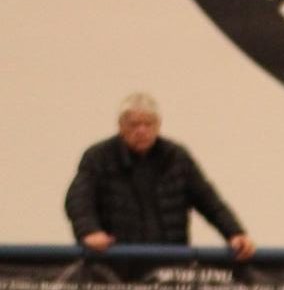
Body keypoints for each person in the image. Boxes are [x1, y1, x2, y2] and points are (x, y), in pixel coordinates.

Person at [65, 94, 254, 257]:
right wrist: (89, 231)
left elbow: (208, 201)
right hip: (114, 265)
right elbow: (78, 199)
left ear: (158, 125)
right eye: (134, 124)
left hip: (170, 266)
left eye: (148, 124)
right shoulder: (98, 157)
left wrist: (235, 233)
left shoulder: (176, 157)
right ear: (120, 126)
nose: (142, 130)